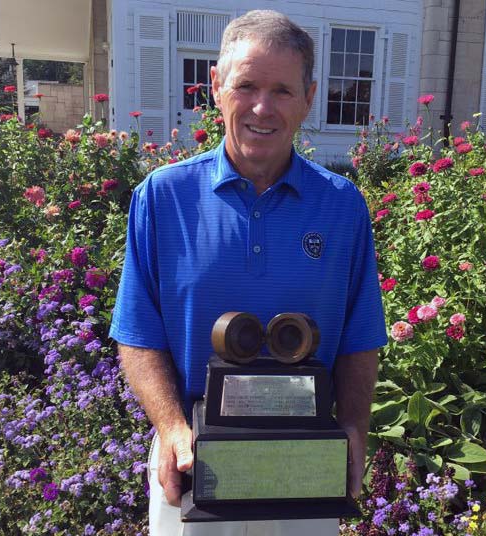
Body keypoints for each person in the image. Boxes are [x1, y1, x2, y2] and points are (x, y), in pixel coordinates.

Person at [110, 9, 387, 536]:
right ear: (215, 88)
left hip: (305, 466)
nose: (263, 107)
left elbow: (359, 334)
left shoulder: (342, 206)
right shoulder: (163, 198)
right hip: (196, 466)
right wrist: (170, 429)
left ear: (308, 99)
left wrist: (353, 428)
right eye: (246, 85)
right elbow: (138, 334)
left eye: (283, 90)